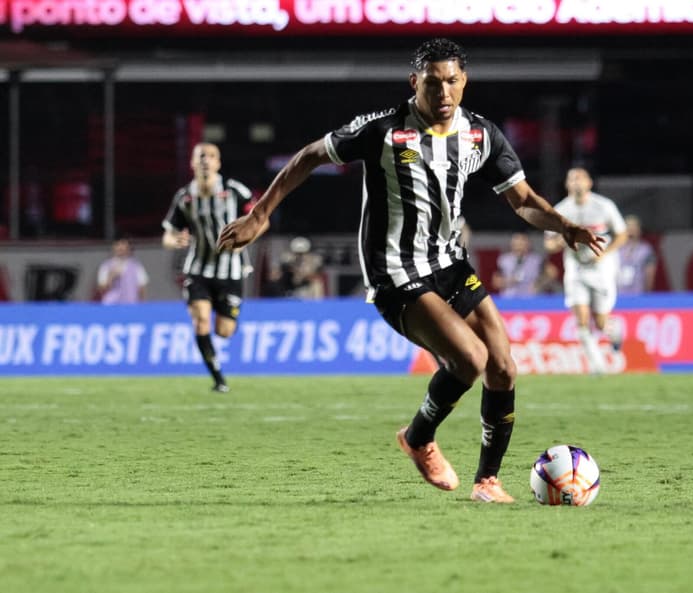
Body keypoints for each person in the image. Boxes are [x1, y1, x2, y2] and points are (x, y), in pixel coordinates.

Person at [216, 38, 604, 503]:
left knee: (503, 366)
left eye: (452, 81)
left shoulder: (482, 135)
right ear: (414, 82)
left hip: (449, 263)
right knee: (470, 360)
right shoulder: (381, 130)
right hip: (395, 272)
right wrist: (260, 215)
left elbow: (522, 202)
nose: (443, 92)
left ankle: (487, 482)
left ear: (465, 82)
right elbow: (309, 156)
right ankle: (418, 438)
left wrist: (564, 225)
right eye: (433, 82)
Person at [162, 142, 265, 393]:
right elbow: (168, 234)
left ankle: (226, 321)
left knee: (225, 331)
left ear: (218, 163)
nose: (206, 160)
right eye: (201, 156)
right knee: (200, 322)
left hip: (231, 271)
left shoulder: (233, 190)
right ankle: (218, 377)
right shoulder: (185, 196)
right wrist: (174, 241)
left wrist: (247, 238)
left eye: (211, 156)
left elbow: (262, 220)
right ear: (193, 163)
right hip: (198, 269)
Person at [544, 167, 628, 373]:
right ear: (567, 185)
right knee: (581, 319)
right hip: (575, 267)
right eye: (572, 179)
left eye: (580, 178)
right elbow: (549, 243)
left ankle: (614, 331)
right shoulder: (561, 210)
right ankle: (596, 366)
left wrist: (605, 253)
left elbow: (622, 234)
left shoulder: (604, 206)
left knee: (600, 323)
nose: (576, 182)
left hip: (601, 268)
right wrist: (560, 242)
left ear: (589, 183)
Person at [96, 237, 148, 304]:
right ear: (113, 247)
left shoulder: (136, 266)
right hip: (111, 306)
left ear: (128, 248)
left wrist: (142, 307)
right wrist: (111, 277)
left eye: (123, 244)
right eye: (117, 244)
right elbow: (101, 290)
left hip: (131, 306)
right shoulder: (106, 266)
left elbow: (142, 288)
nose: (120, 247)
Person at [492, 232, 545, 297]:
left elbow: (552, 273)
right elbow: (495, 283)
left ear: (528, 244)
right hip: (509, 299)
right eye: (517, 244)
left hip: (531, 299)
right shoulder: (504, 260)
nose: (519, 247)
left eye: (522, 243)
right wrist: (510, 281)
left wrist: (539, 285)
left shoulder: (537, 260)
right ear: (512, 245)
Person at [617, 215, 656, 295]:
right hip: (618, 296)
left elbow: (650, 274)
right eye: (628, 227)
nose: (631, 231)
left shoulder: (646, 250)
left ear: (639, 230)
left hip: (638, 295)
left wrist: (647, 295)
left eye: (633, 227)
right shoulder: (616, 249)